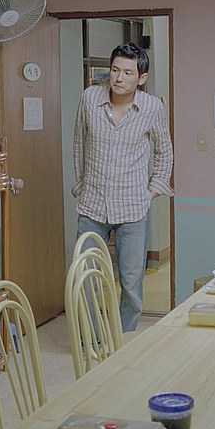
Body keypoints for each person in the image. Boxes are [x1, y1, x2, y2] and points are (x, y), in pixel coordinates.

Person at [72, 42, 174, 332]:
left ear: (141, 78)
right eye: (115, 70)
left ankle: (124, 338)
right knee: (85, 277)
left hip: (133, 208)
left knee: (131, 282)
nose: (118, 78)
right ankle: (91, 338)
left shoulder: (152, 107)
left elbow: (164, 151)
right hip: (92, 205)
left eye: (127, 73)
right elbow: (79, 143)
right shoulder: (89, 98)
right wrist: (81, 184)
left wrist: (152, 191)